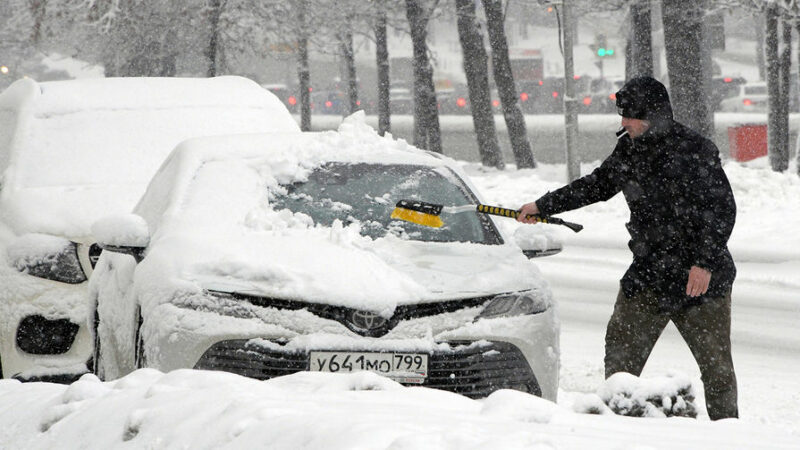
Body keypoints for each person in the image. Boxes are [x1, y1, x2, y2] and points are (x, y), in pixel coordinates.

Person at [518, 76, 738, 420]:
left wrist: (704, 262)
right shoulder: (630, 149)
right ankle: (620, 430)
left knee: (718, 371)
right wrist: (543, 206)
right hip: (650, 274)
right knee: (620, 361)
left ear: (654, 115)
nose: (623, 122)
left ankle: (730, 434)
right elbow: (597, 185)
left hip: (701, 280)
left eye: (630, 116)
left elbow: (721, 209)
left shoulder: (695, 150)